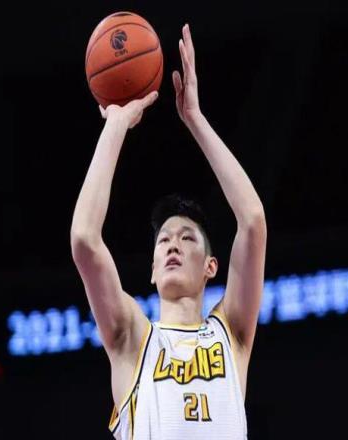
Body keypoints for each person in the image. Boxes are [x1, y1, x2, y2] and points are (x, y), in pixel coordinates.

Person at [71, 23, 267, 440]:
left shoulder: (231, 334)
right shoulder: (132, 338)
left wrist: (195, 119)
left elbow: (252, 220)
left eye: (187, 238)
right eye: (164, 241)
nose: (173, 244)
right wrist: (116, 124)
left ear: (211, 266)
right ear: (153, 270)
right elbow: (84, 240)